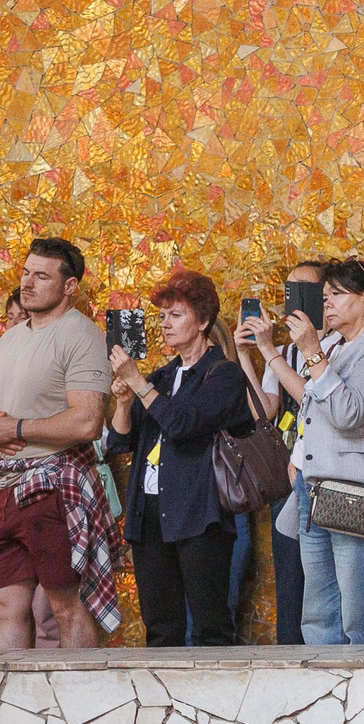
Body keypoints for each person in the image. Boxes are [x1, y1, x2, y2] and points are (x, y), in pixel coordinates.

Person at [105, 272, 254, 649]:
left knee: (210, 626)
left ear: (202, 321)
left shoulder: (223, 375)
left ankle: (215, 706)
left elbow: (184, 426)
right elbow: (121, 442)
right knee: (160, 628)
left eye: (176, 315)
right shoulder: (162, 375)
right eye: (162, 317)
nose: (166, 325)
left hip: (199, 511)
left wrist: (138, 383)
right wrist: (124, 401)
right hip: (150, 511)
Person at [0, 240, 112, 648]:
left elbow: (87, 421)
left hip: (53, 486)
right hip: (5, 486)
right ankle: (14, 708)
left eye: (41, 275)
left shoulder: (81, 334)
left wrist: (18, 429)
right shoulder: (10, 338)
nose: (27, 283)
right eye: (26, 272)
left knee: (66, 605)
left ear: (69, 287)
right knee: (7, 607)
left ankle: (82, 706)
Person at [293, 258, 364, 646]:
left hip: (357, 496)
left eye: (337, 295)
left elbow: (349, 412)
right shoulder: (338, 348)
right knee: (318, 618)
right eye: (324, 296)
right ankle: (326, 702)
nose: (326, 304)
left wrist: (311, 351)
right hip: (315, 491)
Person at [235, 261, 327, 645]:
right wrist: (248, 356)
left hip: (326, 474)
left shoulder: (338, 346)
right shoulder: (284, 353)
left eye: (302, 291)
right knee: (290, 577)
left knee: (324, 584)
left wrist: (272, 351)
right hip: (286, 475)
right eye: (289, 290)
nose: (294, 299)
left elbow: (315, 395)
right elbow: (263, 411)